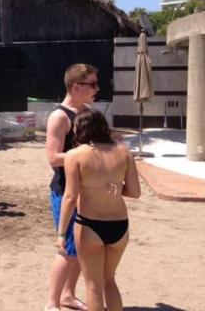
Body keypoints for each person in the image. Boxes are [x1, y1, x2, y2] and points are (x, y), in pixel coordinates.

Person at [56, 108, 140, 311]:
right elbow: (135, 192)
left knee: (93, 286)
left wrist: (60, 233)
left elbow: (69, 197)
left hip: (89, 225)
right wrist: (112, 188)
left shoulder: (74, 155)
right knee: (109, 280)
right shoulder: (123, 152)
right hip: (119, 225)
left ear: (80, 129)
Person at [44, 63, 100, 311]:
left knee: (81, 247)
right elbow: (53, 157)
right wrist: (86, 154)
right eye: (92, 84)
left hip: (87, 189)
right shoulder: (59, 117)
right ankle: (52, 302)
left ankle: (67, 295)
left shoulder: (87, 111)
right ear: (76, 87)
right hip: (65, 191)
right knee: (67, 248)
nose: (97, 89)